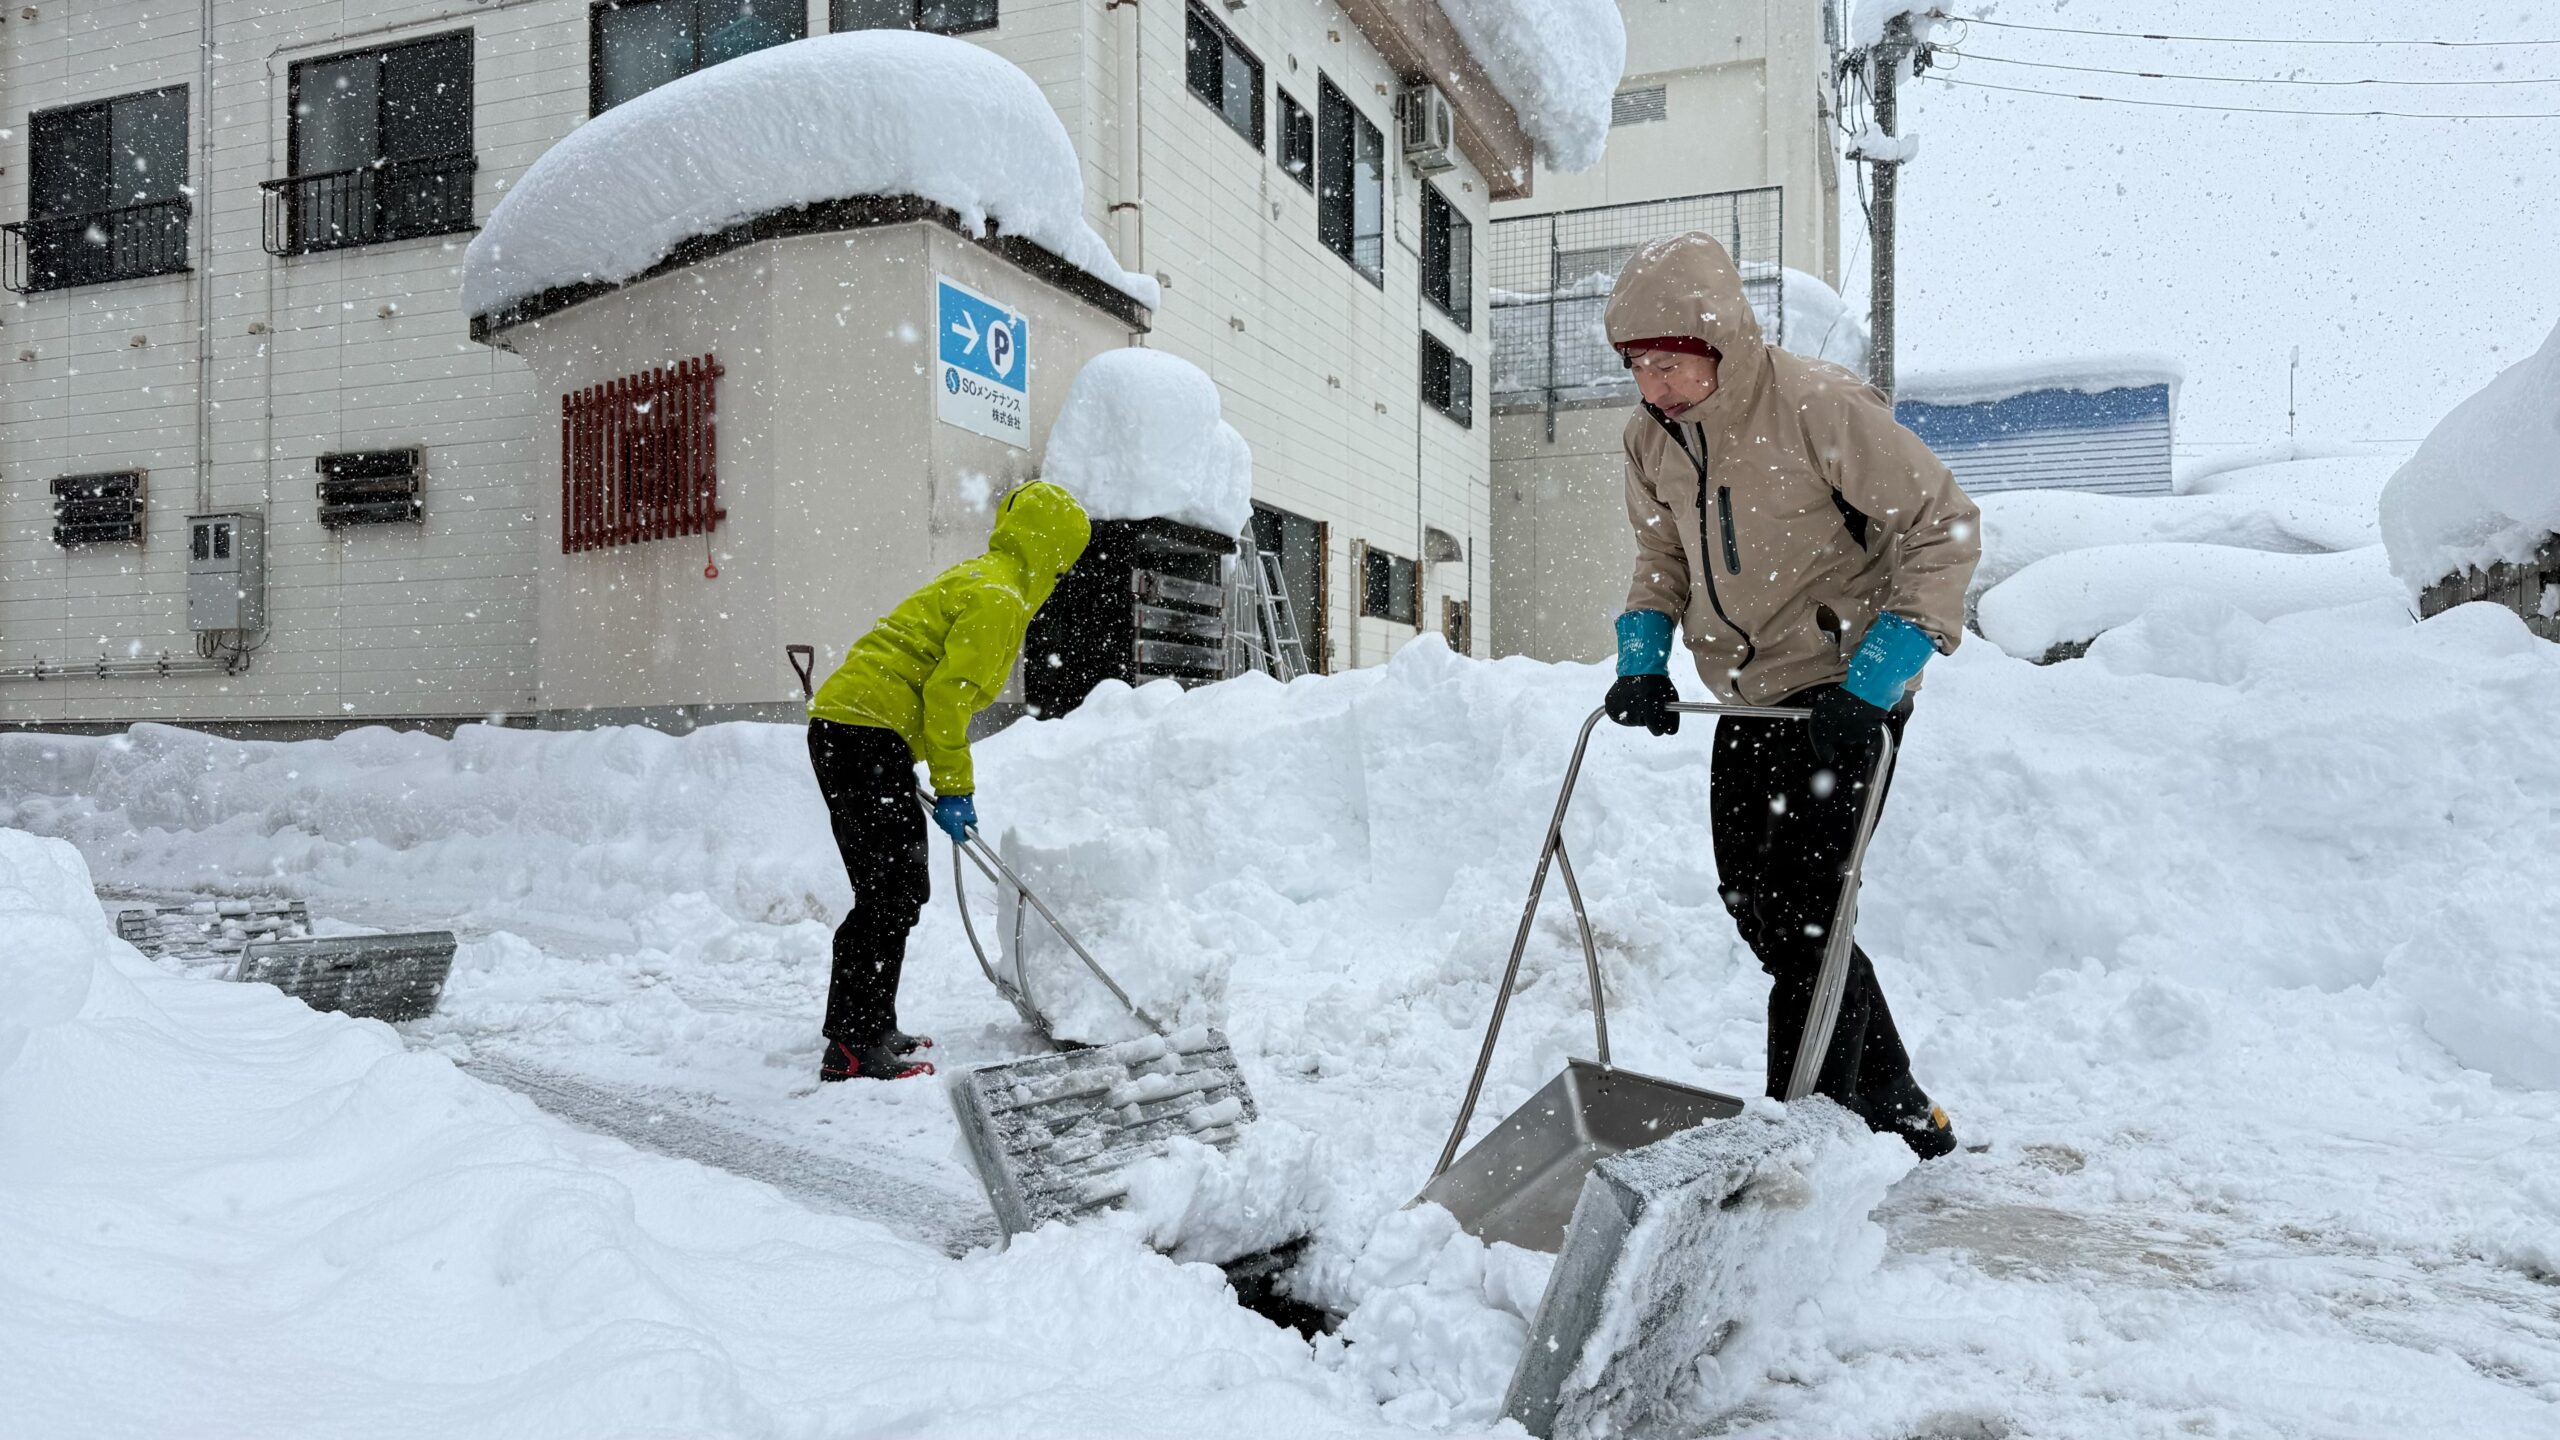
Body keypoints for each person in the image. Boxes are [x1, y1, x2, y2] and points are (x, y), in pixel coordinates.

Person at [1599, 232, 1980, 1158]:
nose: (1656, 386)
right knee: (1755, 902)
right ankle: (1890, 1100)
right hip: (1748, 695)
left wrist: (1878, 677)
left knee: (1808, 914)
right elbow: (1661, 556)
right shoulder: (1651, 441)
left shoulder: (1815, 406)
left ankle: (1788, 1142)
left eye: (1673, 364)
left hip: (1849, 687)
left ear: (1722, 341)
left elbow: (1944, 526)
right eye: (1639, 366)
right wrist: (1642, 657)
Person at [803, 480, 1091, 1083]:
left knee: (897, 888)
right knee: (888, 892)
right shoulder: (1001, 599)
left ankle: (873, 1024)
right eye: (1063, 565)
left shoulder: (983, 575)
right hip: (862, 734)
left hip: (858, 731)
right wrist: (956, 787)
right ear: (1050, 553)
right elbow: (946, 695)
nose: (1061, 579)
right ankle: (852, 1045)